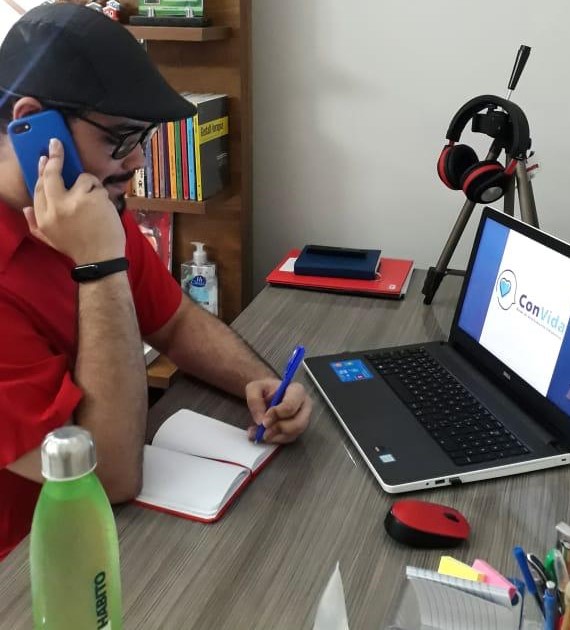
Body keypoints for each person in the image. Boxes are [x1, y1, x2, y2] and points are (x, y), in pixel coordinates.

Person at [0, 2, 312, 560]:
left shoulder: (87, 205)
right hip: (29, 569)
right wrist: (99, 265)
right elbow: (108, 474)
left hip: (111, 531)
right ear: (32, 123)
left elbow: (173, 319)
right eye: (120, 139)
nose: (139, 159)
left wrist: (258, 381)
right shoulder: (89, 227)